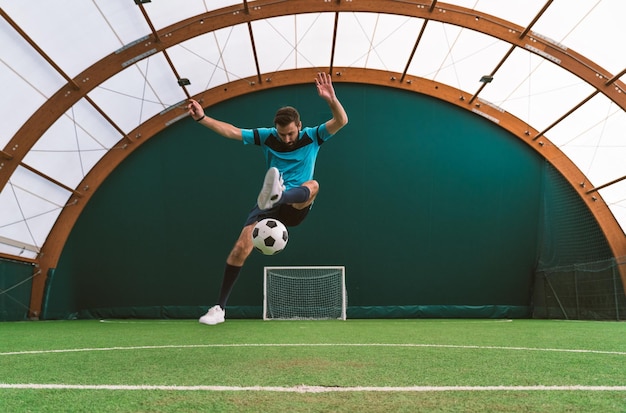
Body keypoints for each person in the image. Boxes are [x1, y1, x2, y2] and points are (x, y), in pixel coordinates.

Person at [187, 72, 348, 325]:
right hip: (267, 204)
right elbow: (232, 132)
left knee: (313, 185)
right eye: (282, 134)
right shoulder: (267, 137)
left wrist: (331, 99)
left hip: (295, 202)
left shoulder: (313, 136)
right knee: (241, 248)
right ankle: (219, 308)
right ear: (276, 129)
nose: (286, 139)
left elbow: (341, 120)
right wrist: (202, 118)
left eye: (290, 134)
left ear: (299, 126)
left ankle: (280, 193)